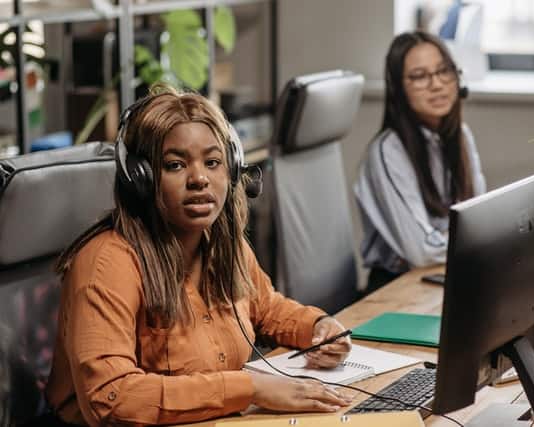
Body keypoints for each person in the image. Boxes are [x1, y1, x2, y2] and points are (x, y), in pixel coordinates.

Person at [45, 85, 352, 427]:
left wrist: (318, 327)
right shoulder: (107, 263)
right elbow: (111, 399)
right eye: (176, 165)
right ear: (141, 179)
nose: (200, 179)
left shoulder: (223, 245)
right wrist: (250, 388)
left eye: (213, 162)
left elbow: (266, 307)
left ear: (232, 170)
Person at [354, 32, 486, 292]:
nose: (436, 84)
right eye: (419, 76)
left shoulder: (461, 135)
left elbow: (480, 218)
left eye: (443, 71)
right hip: (394, 288)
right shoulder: (387, 152)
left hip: (444, 273)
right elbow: (420, 252)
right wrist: (475, 240)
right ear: (398, 88)